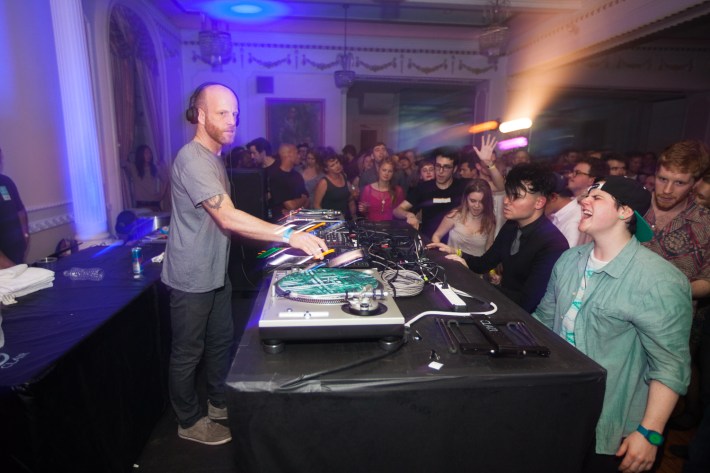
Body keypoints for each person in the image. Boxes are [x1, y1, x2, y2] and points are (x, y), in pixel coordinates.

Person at [161, 83, 327, 446]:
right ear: (200, 115)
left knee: (221, 341)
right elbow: (226, 216)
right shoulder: (193, 158)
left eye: (235, 114)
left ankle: (218, 403)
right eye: (222, 113)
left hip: (214, 271)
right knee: (188, 352)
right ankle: (188, 421)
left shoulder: (213, 157)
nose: (231, 120)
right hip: (191, 275)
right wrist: (289, 236)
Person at [533, 176, 692, 472]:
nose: (584, 201)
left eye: (597, 198)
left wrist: (649, 433)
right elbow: (543, 323)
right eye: (587, 195)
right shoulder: (569, 260)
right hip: (560, 406)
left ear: (625, 211)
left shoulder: (660, 280)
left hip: (611, 424)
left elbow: (670, 366)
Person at [642, 140, 710, 433]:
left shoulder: (705, 224)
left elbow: (707, 282)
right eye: (662, 179)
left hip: (669, 328)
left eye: (679, 182)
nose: (667, 190)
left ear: (695, 183)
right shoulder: (632, 207)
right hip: (615, 321)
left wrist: (666, 289)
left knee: (654, 412)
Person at [439, 163, 568, 313]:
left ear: (539, 202)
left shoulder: (552, 244)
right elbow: (483, 263)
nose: (506, 201)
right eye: (507, 194)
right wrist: (455, 252)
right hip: (504, 307)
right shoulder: (511, 226)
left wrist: (476, 285)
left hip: (526, 319)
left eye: (515, 196)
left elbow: (527, 302)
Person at [393, 149, 469, 240]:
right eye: (438, 166)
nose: (441, 171)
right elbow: (397, 210)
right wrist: (408, 215)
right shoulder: (423, 188)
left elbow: (484, 188)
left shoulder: (462, 186)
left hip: (453, 243)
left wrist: (486, 163)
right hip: (427, 241)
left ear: (455, 169)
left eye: (446, 167)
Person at [428, 179, 496, 256]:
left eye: (482, 202)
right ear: (466, 199)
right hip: (453, 262)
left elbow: (489, 248)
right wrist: (440, 255)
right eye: (473, 201)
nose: (476, 206)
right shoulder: (455, 215)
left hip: (476, 263)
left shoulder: (489, 221)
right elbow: (437, 235)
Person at [0, 147, 29, 269]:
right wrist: (9, 265)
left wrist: (25, 235)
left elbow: (20, 211)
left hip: (17, 254)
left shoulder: (6, 182)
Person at [267, 143, 309, 220]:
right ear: (289, 154)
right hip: (281, 222)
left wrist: (296, 212)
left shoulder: (297, 175)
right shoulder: (276, 177)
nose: (299, 156)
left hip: (297, 220)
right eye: (297, 153)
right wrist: (302, 199)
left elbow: (307, 201)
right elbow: (291, 206)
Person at [358, 157, 404, 221]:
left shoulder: (398, 191)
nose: (386, 173)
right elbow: (364, 212)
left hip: (391, 225)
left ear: (393, 173)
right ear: (379, 170)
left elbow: (400, 212)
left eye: (390, 171)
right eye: (384, 170)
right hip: (372, 225)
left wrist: (408, 214)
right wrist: (364, 209)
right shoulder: (368, 189)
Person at [313, 153, 356, 219]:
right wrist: (329, 218)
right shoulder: (324, 183)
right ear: (326, 169)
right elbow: (316, 205)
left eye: (337, 162)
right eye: (332, 165)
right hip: (331, 220)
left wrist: (353, 190)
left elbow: (349, 192)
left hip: (345, 217)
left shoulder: (343, 175)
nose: (337, 166)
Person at [126, 144, 168, 211]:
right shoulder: (133, 167)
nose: (149, 155)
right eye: (146, 153)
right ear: (140, 154)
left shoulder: (155, 168)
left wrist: (161, 195)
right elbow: (120, 162)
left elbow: (166, 180)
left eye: (150, 153)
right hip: (140, 205)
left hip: (154, 204)